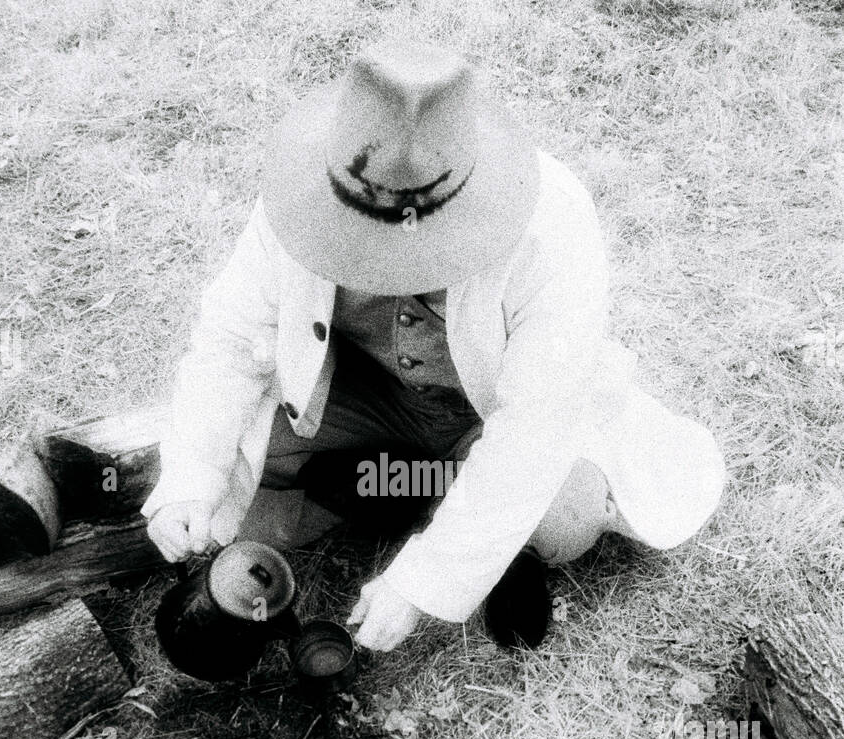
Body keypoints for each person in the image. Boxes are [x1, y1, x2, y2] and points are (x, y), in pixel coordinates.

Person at [143, 38, 725, 652]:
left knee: (561, 519)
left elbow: (537, 423)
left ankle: (417, 500)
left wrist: (425, 581)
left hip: (490, 416)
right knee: (242, 473)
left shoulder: (552, 221)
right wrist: (192, 475)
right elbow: (230, 341)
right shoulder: (305, 193)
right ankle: (426, 495)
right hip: (364, 395)